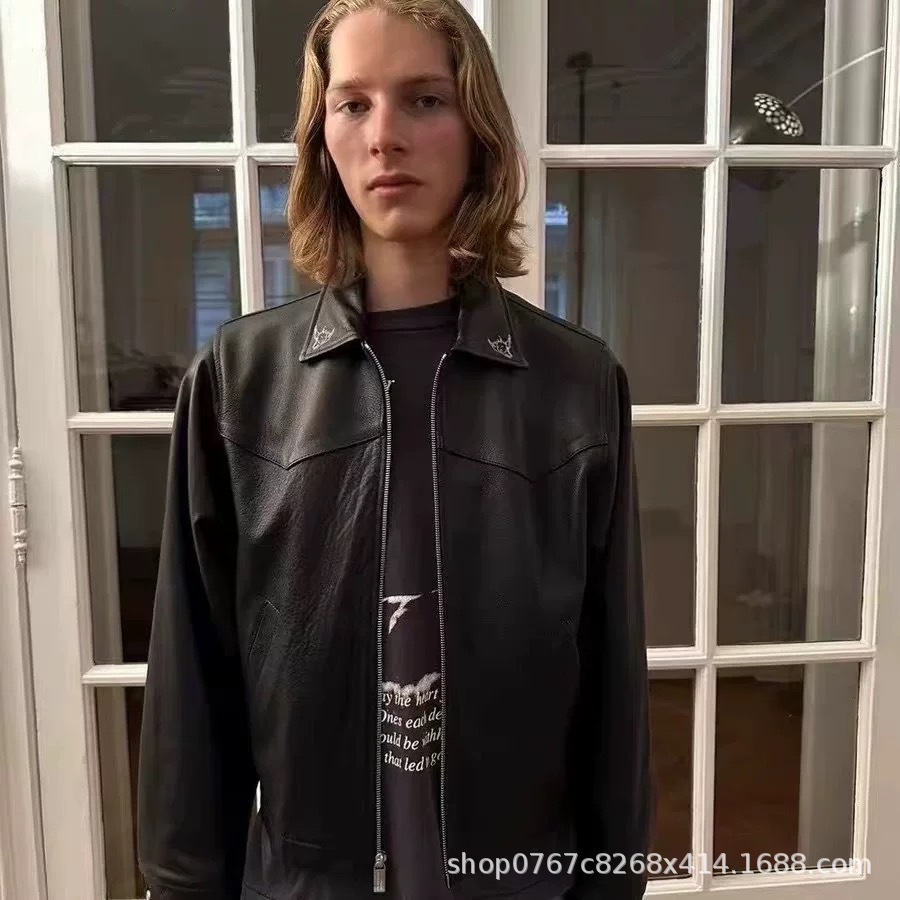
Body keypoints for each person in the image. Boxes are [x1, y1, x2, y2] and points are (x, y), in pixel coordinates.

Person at [136, 0, 652, 898]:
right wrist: (183, 884)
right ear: (322, 136)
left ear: (476, 127)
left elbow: (611, 673)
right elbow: (194, 675)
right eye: (353, 103)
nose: (385, 136)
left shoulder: (576, 382)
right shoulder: (240, 380)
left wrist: (615, 878)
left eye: (423, 99)